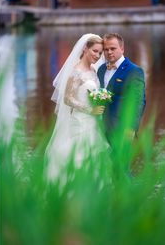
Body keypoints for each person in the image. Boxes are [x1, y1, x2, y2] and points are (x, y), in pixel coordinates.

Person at [45, 34, 108, 181]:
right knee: (79, 155)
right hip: (80, 121)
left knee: (95, 155)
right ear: (85, 49)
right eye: (95, 51)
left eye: (100, 53)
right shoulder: (76, 72)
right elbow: (68, 99)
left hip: (93, 122)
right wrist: (89, 109)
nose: (98, 56)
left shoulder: (93, 71)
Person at [97, 33, 146, 146]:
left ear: (122, 48)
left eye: (113, 48)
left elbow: (139, 101)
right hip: (100, 127)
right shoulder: (101, 69)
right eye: (106, 49)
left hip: (121, 127)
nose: (109, 52)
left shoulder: (134, 71)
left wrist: (131, 128)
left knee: (121, 163)